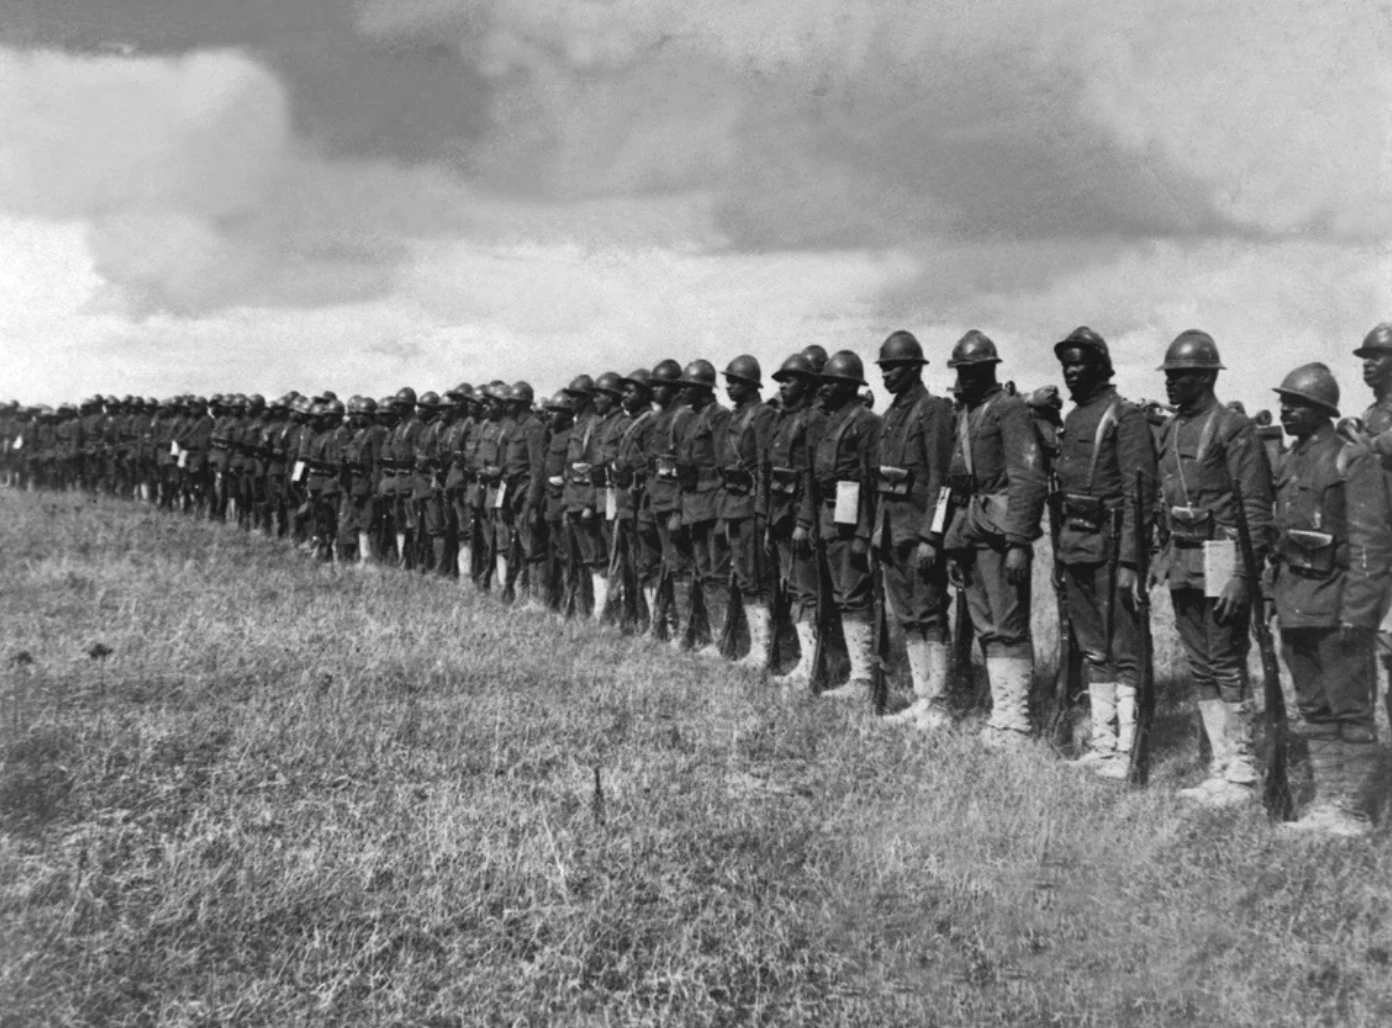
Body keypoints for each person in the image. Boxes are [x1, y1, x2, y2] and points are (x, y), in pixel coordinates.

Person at [1152, 330, 1274, 806]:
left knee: (1225, 657)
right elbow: (1164, 498)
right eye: (1169, 376)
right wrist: (1163, 553)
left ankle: (1243, 769)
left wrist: (1244, 574)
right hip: (1183, 553)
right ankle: (1221, 762)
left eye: (1180, 377)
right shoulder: (1170, 429)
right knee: (1199, 662)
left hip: (1222, 552)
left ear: (1205, 377)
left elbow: (1255, 508)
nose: (1171, 384)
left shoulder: (1232, 429)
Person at [1268, 363, 1389, 836]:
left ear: (1321, 411)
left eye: (1295, 403)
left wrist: (1358, 614)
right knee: (1314, 708)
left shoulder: (1352, 461)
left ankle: (1354, 810)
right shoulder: (1290, 461)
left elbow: (1369, 545)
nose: (1286, 409)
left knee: (1350, 710)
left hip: (1339, 606)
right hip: (1297, 603)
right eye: (1284, 401)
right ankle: (1327, 802)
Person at [1048, 327, 1157, 775]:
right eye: (1066, 365)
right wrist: (1059, 557)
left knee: (1124, 648)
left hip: (1113, 551)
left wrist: (1131, 561)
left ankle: (1129, 750)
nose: (1071, 372)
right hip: (1076, 545)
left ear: (1100, 366)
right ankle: (1104, 743)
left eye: (1079, 364)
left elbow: (1139, 496)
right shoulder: (1074, 419)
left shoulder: (1124, 417)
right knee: (1094, 648)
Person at [943, 330, 1048, 746]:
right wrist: (951, 542)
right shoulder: (966, 415)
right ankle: (999, 715)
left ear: (990, 368)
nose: (965, 377)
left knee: (1009, 625)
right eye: (960, 371)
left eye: (972, 369)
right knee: (987, 625)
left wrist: (1019, 542)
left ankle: (1017, 721)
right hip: (969, 531)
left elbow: (1028, 477)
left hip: (1000, 535)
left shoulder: (1009, 411)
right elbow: (954, 485)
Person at [872, 331, 956, 729]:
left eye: (892, 368)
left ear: (913, 369)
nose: (886, 375)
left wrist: (931, 537)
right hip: (892, 533)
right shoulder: (889, 417)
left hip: (919, 534)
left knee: (931, 613)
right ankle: (923, 698)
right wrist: (877, 531)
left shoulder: (933, 411)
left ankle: (939, 702)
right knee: (908, 616)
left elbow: (941, 480)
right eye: (883, 368)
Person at [809, 351, 881, 700]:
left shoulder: (865, 423)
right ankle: (852, 670)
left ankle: (864, 678)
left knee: (854, 596)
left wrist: (864, 535)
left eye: (831, 382)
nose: (824, 387)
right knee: (840, 595)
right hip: (829, 517)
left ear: (849, 385)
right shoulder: (832, 421)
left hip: (852, 525)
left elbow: (870, 483)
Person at [767, 353, 827, 689]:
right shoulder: (784, 419)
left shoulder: (813, 419)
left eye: (789, 379)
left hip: (800, 518)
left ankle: (813, 665)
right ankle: (806, 659)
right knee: (794, 589)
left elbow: (812, 477)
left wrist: (804, 521)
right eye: (781, 380)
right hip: (781, 516)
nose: (783, 385)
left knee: (807, 591)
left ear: (806, 383)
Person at [718, 355, 777, 667]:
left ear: (751, 385)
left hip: (752, 506)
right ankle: (755, 647)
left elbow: (767, 467)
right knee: (744, 577)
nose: (728, 386)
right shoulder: (734, 416)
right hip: (733, 506)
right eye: (728, 381)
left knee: (757, 577)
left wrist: (763, 512)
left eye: (735, 381)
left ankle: (764, 650)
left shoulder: (763, 415)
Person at [675, 359, 732, 653]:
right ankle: (712, 636)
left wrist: (723, 515)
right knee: (705, 571)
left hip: (713, 504)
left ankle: (722, 641)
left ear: (703, 388)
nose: (682, 391)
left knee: (718, 573)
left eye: (688, 387)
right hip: (694, 506)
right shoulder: (689, 418)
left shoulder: (719, 417)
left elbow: (724, 466)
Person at [1352, 322, 1392, 730]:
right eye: (1365, 359)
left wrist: (1370, 445)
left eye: (1377, 358)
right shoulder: (1371, 413)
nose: (1368, 366)